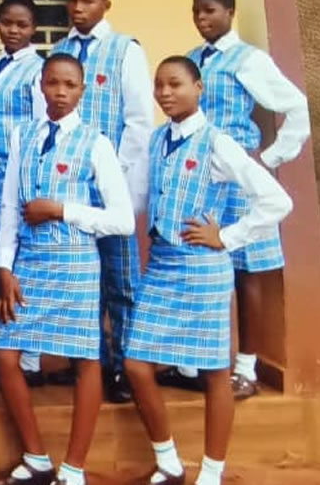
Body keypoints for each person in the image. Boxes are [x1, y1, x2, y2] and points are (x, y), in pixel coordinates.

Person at [122, 57, 292, 485]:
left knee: (216, 371)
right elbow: (139, 197)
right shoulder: (158, 139)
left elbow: (276, 200)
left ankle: (212, 472)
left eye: (175, 84)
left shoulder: (217, 143)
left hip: (203, 271)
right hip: (161, 266)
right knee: (137, 365)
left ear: (198, 88)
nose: (164, 93)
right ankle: (169, 463)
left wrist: (228, 237)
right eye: (159, 85)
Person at [157, 0, 311, 400]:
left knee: (247, 272)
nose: (201, 18)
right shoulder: (191, 60)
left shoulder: (247, 59)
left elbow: (296, 106)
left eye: (209, 10)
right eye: (196, 11)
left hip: (237, 176)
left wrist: (272, 156)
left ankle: (245, 368)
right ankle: (192, 362)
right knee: (195, 260)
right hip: (199, 174)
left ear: (229, 12)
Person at [0, 55, 135, 485]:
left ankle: (73, 470)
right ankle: (36, 458)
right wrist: (5, 266)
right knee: (4, 353)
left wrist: (61, 210)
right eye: (53, 83)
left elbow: (123, 220)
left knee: (86, 359)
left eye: (70, 85)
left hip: (76, 263)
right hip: (30, 263)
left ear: (83, 90)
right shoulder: (24, 135)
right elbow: (9, 205)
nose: (61, 92)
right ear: (41, 86)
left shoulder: (96, 143)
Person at [47, 0, 154, 404]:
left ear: (105, 5)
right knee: (80, 280)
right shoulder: (59, 51)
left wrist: (116, 177)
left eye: (88, 1)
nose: (79, 8)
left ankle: (126, 366)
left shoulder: (125, 50)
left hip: (113, 187)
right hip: (70, 189)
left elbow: (139, 121)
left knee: (121, 279)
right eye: (73, 0)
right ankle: (91, 362)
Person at [0, 0, 47, 389]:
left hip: (18, 179)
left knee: (18, 264)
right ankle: (2, 342)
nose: (13, 31)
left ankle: (29, 357)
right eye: (7, 23)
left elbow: (40, 127)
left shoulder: (39, 71)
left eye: (22, 25)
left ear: (33, 28)